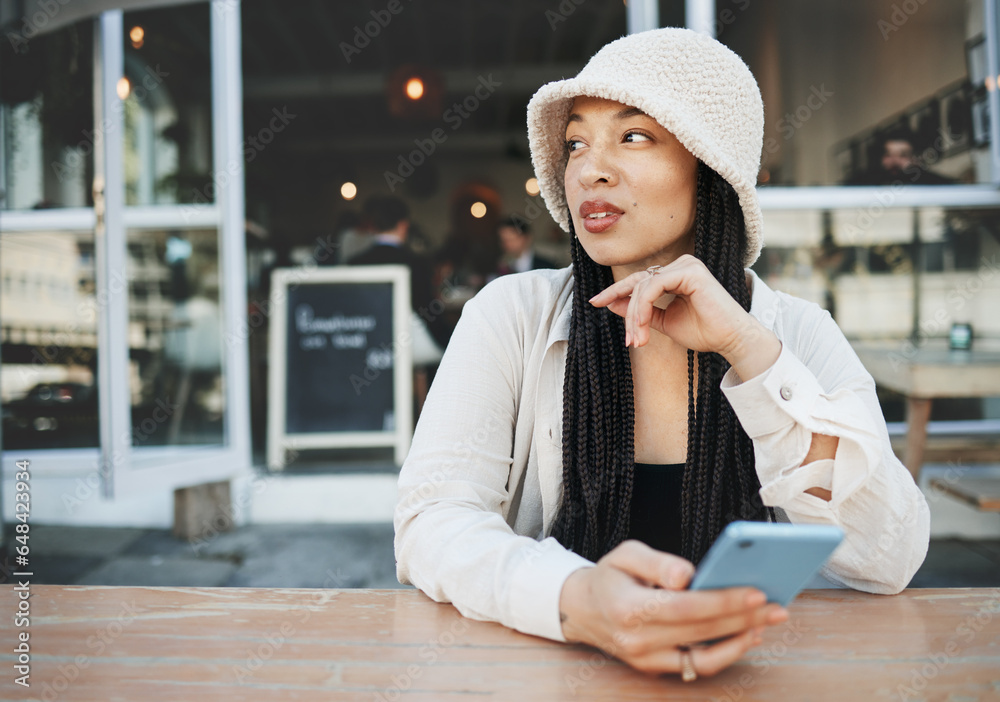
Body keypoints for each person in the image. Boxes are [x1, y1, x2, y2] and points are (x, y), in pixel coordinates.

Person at [394, 28, 930, 681]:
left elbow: (889, 556)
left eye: (634, 136)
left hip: (748, 677)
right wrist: (572, 598)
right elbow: (431, 521)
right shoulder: (511, 316)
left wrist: (750, 354)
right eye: (576, 142)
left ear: (712, 169)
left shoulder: (795, 334)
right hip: (553, 679)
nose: (590, 167)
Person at [348, 196, 448, 355]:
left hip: (366, 342)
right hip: (411, 343)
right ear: (403, 225)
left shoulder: (354, 263)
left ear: (374, 226)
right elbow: (426, 310)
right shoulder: (416, 263)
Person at [847, 125, 956, 185]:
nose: (894, 160)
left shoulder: (935, 185)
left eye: (903, 155)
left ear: (916, 159)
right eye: (888, 154)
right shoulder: (864, 183)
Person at [493, 216, 559, 277]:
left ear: (527, 238)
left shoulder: (547, 267)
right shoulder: (501, 268)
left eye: (512, 239)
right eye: (504, 240)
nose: (507, 244)